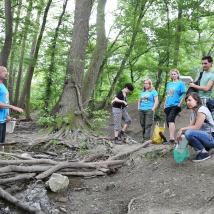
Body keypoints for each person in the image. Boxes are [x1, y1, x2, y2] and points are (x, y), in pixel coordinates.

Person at [176, 92, 214, 162]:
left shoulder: (202, 109)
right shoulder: (194, 111)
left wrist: (181, 129)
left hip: (211, 137)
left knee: (188, 133)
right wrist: (181, 136)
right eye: (186, 101)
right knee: (185, 135)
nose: (187, 102)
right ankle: (203, 149)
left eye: (190, 100)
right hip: (206, 137)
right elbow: (190, 127)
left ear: (196, 100)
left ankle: (204, 153)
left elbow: (196, 127)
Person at [0, 66, 23, 144]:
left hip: (3, 120)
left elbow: (5, 101)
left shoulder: (3, 86)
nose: (7, 73)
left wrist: (7, 115)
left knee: (2, 143)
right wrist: (13, 107)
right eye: (4, 71)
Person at [164, 69, 186, 143]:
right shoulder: (169, 84)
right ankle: (172, 137)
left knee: (170, 119)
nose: (173, 75)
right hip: (168, 105)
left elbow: (183, 94)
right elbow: (168, 95)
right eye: (172, 74)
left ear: (178, 75)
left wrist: (180, 103)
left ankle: (171, 139)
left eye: (175, 74)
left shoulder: (181, 84)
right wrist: (165, 104)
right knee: (168, 121)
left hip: (175, 105)